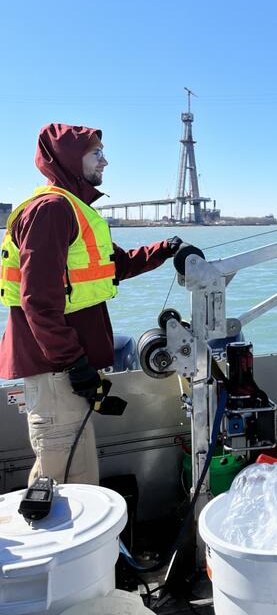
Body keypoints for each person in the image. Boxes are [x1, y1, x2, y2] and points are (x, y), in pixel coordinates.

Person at [0, 123, 185, 486]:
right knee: (66, 481)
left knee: (71, 475)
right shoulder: (51, 210)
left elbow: (116, 265)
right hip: (58, 373)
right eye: (96, 153)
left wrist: (166, 249)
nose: (105, 161)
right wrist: (74, 364)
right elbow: (37, 301)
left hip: (67, 371)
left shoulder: (74, 209)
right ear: (70, 157)